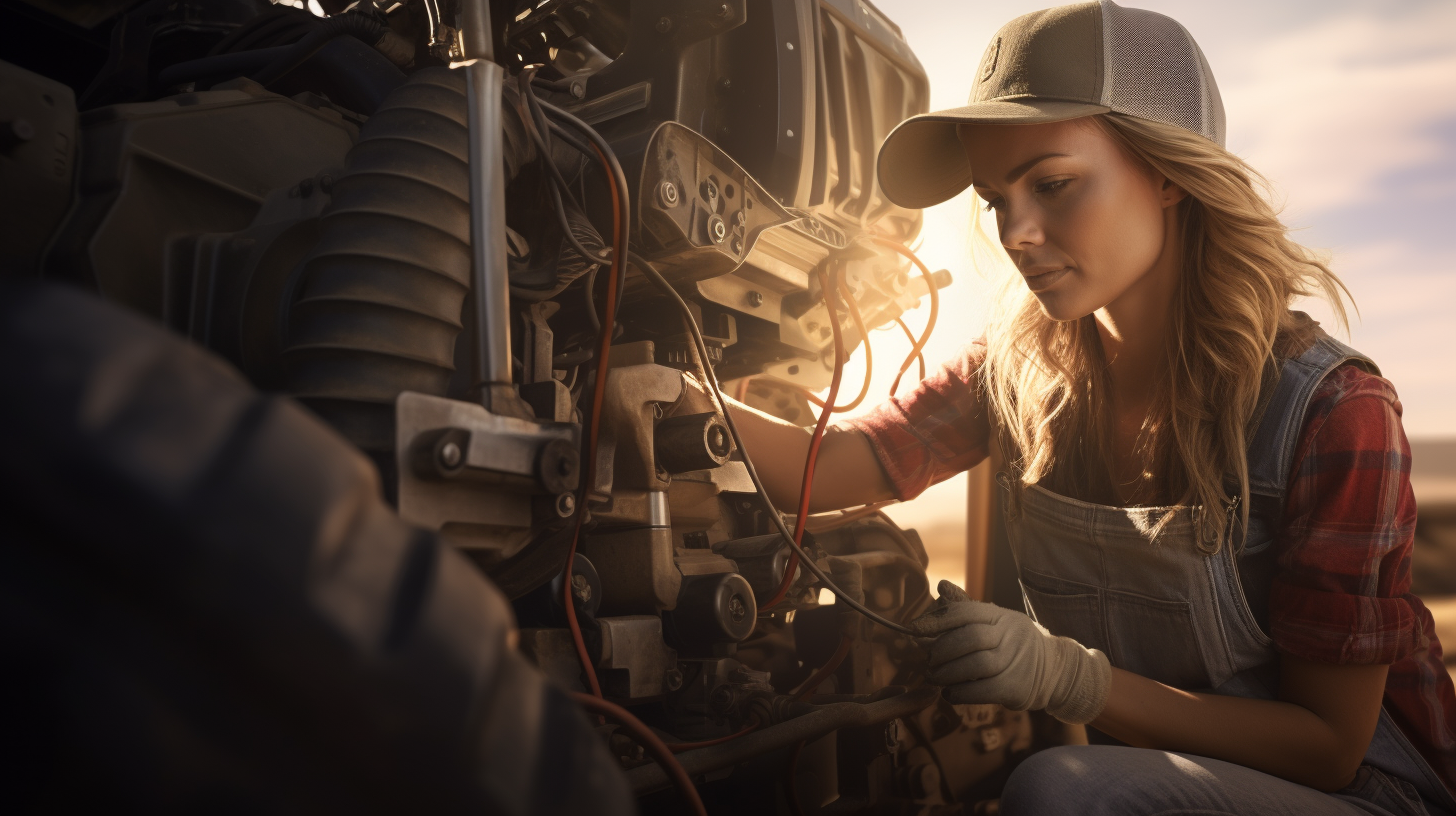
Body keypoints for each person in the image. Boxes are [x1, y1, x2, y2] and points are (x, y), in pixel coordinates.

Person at [720, 2, 1456, 814]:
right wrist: (663, 383)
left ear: (1169, 171)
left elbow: (1328, 747)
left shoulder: (1333, 411)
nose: (1017, 232)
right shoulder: (1020, 370)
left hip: (1364, 794)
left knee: (1060, 791)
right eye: (996, 198)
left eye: (1053, 184)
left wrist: (1070, 677)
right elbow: (825, 469)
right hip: (1157, 777)